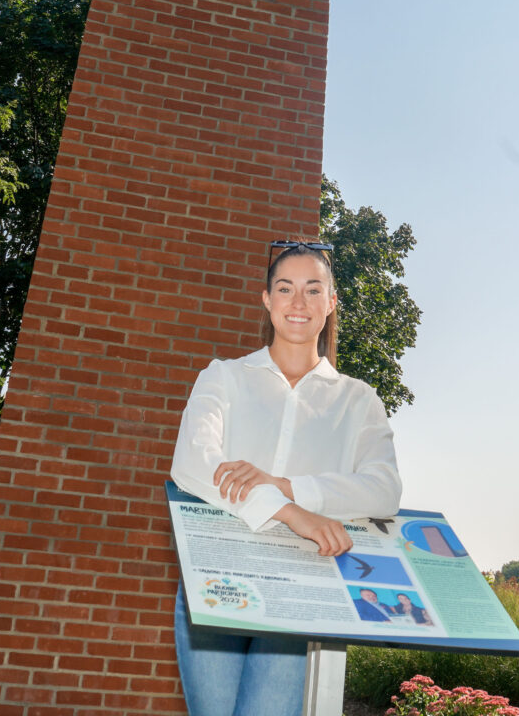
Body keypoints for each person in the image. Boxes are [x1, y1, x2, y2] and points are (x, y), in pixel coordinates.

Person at [171, 240, 402, 716]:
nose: (299, 303)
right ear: (266, 299)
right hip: (216, 574)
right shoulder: (223, 377)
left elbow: (384, 489)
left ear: (332, 302)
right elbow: (194, 463)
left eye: (313, 290)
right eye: (285, 288)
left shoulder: (359, 401)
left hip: (302, 589)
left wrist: (289, 486)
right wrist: (291, 511)